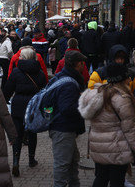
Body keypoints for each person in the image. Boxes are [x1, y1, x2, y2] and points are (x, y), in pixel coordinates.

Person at [79, 63, 135, 187]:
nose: (130, 79)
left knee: (101, 178)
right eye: (127, 77)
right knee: (117, 181)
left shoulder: (96, 95)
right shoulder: (121, 99)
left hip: (99, 147)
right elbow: (130, 129)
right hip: (117, 149)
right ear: (120, 79)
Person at [3, 48, 47, 177]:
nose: (19, 58)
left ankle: (16, 161)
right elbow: (44, 90)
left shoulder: (16, 72)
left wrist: (6, 100)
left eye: (21, 56)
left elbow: (8, 90)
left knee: (17, 134)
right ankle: (31, 159)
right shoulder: (39, 73)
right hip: (33, 106)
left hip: (18, 106)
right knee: (32, 133)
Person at [49, 50, 86, 187]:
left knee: (72, 161)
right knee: (63, 164)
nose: (84, 65)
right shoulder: (69, 84)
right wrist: (83, 102)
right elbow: (66, 108)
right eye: (82, 63)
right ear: (77, 64)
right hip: (63, 128)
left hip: (63, 128)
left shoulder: (61, 77)